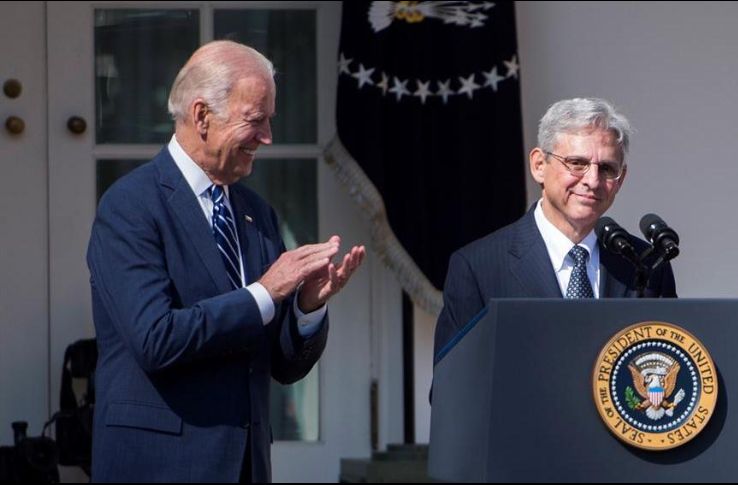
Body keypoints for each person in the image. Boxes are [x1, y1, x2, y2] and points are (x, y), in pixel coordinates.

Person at [87, 40, 365, 483]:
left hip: (245, 467)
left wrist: (306, 307)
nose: (267, 137)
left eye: (270, 120)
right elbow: (156, 339)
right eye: (255, 120)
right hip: (160, 466)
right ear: (201, 116)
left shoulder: (255, 213)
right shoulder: (131, 206)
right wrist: (265, 293)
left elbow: (283, 366)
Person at [433, 97, 676, 358]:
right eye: (577, 163)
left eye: (606, 168)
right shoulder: (478, 268)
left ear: (620, 179)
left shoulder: (646, 265)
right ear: (539, 165)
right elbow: (454, 379)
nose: (593, 181)